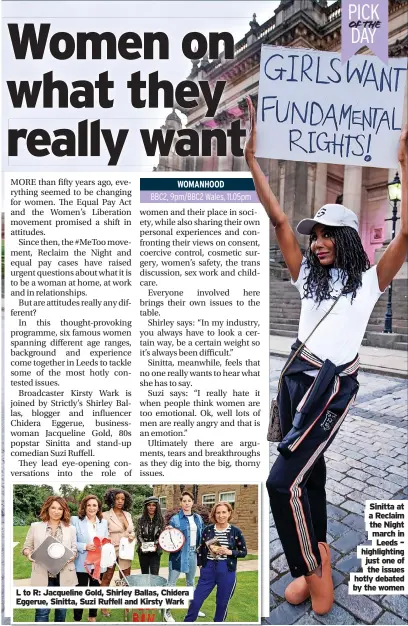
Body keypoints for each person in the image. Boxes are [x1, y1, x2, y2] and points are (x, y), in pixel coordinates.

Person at [245, 96, 408, 616]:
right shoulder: (308, 279)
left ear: (345, 238)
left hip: (333, 385)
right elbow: (276, 220)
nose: (315, 243)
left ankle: (309, 572)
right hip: (296, 376)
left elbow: (407, 234)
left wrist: (404, 162)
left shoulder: (367, 281)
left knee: (280, 481)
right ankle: (321, 554)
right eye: (313, 235)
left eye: (325, 235)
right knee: (310, 475)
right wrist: (252, 161)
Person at [184, 502, 247, 623]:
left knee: (222, 603)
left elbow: (243, 552)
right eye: (218, 512)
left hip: (226, 570)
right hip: (208, 569)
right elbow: (201, 548)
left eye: (224, 512)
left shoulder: (236, 532)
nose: (221, 515)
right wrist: (201, 565)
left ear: (229, 513)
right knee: (196, 600)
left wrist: (230, 552)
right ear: (214, 514)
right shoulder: (208, 530)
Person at [22, 496, 77, 623]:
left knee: (61, 611)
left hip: (64, 576)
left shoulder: (71, 529)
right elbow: (27, 547)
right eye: (53, 507)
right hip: (42, 575)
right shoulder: (35, 526)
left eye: (60, 508)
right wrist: (29, 554)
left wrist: (72, 555)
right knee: (42, 611)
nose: (56, 511)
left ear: (64, 511)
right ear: (47, 508)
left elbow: (74, 549)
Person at [163, 491, 205, 623]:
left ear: (193, 502)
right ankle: (166, 612)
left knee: (191, 582)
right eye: (184, 501)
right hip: (178, 555)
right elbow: (169, 538)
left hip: (193, 553)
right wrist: (168, 530)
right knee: (171, 584)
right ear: (181, 503)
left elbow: (202, 534)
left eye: (189, 501)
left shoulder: (198, 518)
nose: (186, 503)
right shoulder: (175, 519)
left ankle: (194, 609)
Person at [71, 495, 109, 622]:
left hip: (98, 564)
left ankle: (92, 616)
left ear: (98, 508)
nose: (92, 508)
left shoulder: (103, 522)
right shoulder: (75, 520)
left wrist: (105, 544)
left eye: (94, 505)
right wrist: (84, 546)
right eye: (89, 505)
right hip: (82, 564)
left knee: (95, 591)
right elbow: (70, 541)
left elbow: (106, 539)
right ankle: (77, 618)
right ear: (84, 507)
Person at [99, 489, 135, 616]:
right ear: (112, 499)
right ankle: (103, 607)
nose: (120, 501)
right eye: (117, 498)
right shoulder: (104, 515)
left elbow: (131, 531)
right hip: (111, 549)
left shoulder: (128, 515)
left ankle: (126, 604)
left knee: (125, 579)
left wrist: (132, 536)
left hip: (126, 550)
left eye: (123, 499)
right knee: (107, 577)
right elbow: (102, 534)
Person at [135, 496, 165, 575]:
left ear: (157, 507)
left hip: (155, 552)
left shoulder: (161, 520)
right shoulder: (140, 519)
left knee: (154, 575)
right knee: (144, 574)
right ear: (146, 507)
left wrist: (155, 544)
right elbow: (138, 535)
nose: (151, 507)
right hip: (143, 551)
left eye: (153, 505)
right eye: (149, 505)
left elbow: (162, 536)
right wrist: (143, 544)